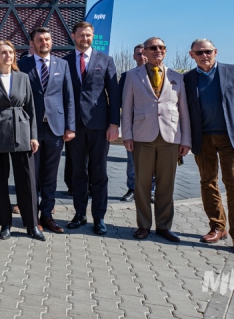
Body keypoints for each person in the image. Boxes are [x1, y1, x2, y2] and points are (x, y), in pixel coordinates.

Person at [184, 39, 234, 257]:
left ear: (215, 52)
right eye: (199, 52)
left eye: (208, 51)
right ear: (192, 55)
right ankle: (218, 227)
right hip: (203, 139)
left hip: (232, 138)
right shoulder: (188, 79)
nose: (204, 55)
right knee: (207, 182)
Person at [122, 37, 191, 243]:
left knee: (166, 185)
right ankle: (143, 225)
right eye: (153, 48)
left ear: (166, 51)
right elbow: (127, 109)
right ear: (145, 51)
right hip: (142, 136)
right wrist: (127, 135)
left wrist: (185, 139)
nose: (157, 51)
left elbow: (184, 111)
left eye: (161, 48)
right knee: (141, 184)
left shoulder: (177, 77)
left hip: (170, 137)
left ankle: (164, 226)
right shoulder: (132, 76)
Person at [0, 40, 43, 241]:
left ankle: (31, 224)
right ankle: (5, 223)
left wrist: (33, 135)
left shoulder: (23, 77)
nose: (8, 56)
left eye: (11, 52)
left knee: (27, 181)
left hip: (21, 131)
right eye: (3, 53)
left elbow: (31, 108)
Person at [63, 21, 120, 235]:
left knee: (99, 174)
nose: (85, 39)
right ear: (73, 35)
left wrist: (114, 124)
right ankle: (79, 214)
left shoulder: (106, 61)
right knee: (78, 173)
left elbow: (113, 95)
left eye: (88, 35)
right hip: (73, 127)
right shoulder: (64, 62)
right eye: (81, 35)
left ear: (92, 36)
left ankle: (99, 217)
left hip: (99, 126)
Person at [18, 27, 75, 234]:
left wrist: (70, 126)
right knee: (31, 175)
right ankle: (32, 218)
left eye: (48, 39)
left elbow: (69, 97)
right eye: (40, 39)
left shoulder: (62, 65)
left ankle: (47, 215)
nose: (45, 43)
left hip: (55, 128)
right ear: (32, 43)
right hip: (30, 129)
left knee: (50, 175)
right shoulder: (22, 65)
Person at [119, 43, 147, 202]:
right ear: (133, 57)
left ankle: (151, 190)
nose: (142, 57)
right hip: (134, 125)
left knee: (154, 161)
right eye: (138, 54)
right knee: (132, 160)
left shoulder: (161, 74)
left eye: (144, 53)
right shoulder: (126, 76)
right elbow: (122, 101)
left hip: (154, 125)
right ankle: (132, 188)